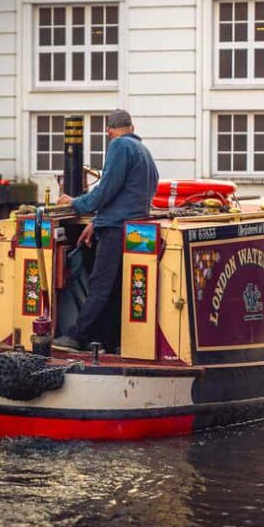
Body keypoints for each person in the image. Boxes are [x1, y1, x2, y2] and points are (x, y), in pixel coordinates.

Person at [54, 109, 159, 351]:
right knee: (117, 289)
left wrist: (76, 203)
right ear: (132, 127)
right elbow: (138, 192)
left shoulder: (119, 146)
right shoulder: (144, 151)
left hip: (115, 229)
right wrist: (96, 221)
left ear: (109, 132)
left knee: (100, 284)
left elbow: (106, 189)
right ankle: (111, 340)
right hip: (135, 229)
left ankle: (76, 337)